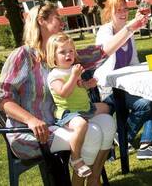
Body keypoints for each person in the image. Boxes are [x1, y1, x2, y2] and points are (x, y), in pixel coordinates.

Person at [0, 1, 147, 186]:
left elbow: (100, 52)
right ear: (41, 21)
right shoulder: (23, 55)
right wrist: (30, 120)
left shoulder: (61, 53)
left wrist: (131, 27)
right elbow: (2, 99)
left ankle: (93, 180)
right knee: (93, 132)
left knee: (107, 123)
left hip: (60, 121)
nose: (63, 23)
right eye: (58, 18)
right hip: (32, 134)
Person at [95, 0, 152, 160]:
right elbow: (109, 48)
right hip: (109, 89)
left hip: (127, 85)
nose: (123, 13)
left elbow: (134, 61)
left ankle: (147, 144)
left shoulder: (129, 33)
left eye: (125, 9)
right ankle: (123, 136)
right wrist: (130, 27)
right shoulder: (105, 32)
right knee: (146, 103)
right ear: (109, 13)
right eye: (118, 10)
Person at [46, 32, 111, 177]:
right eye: (62, 52)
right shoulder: (55, 75)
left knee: (106, 107)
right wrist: (74, 76)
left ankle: (110, 141)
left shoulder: (73, 69)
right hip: (69, 113)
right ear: (53, 56)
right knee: (81, 125)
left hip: (84, 108)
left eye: (71, 51)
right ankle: (76, 159)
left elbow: (79, 86)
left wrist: (88, 84)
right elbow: (64, 92)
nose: (68, 55)